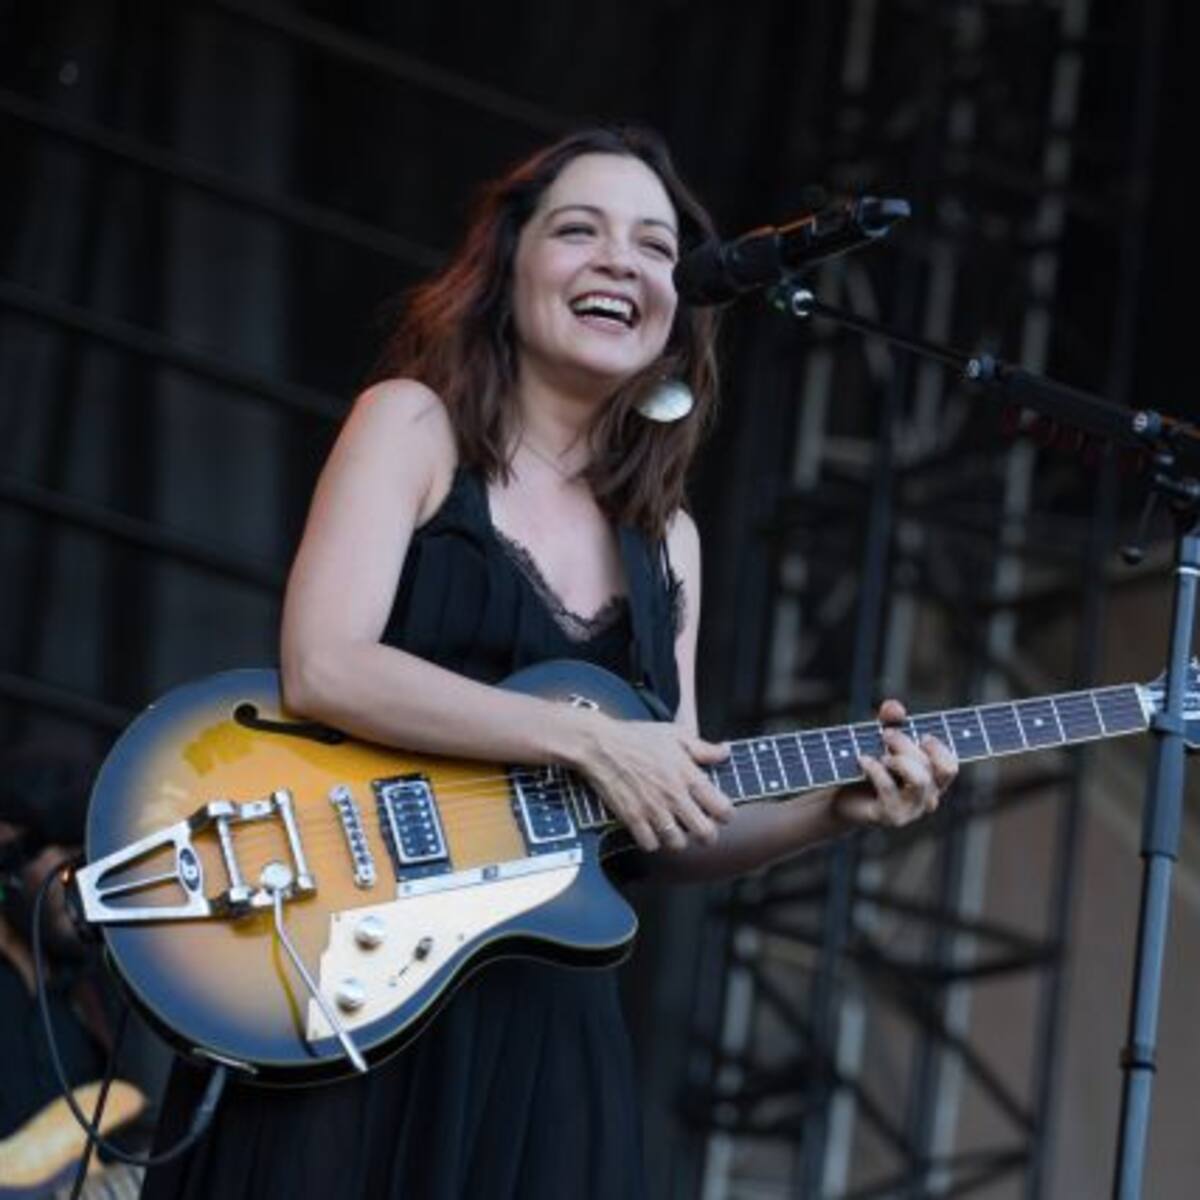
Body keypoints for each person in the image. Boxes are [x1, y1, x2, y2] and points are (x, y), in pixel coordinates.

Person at [140, 126, 956, 1200]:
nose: (621, 260)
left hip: (543, 1035)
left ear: (682, 300)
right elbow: (324, 665)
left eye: (655, 246)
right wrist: (582, 739)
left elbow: (670, 817)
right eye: (580, 231)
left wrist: (832, 813)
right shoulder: (412, 427)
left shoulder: (667, 540)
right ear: (508, 267)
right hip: (352, 968)